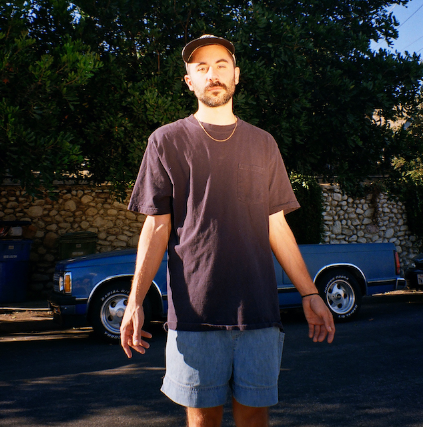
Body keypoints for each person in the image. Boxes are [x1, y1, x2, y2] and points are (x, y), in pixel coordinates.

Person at [121, 34, 335, 427]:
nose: (213, 74)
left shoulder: (263, 143)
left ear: (236, 75)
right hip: (194, 316)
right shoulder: (165, 141)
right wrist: (135, 301)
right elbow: (156, 226)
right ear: (189, 81)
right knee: (203, 421)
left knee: (254, 419)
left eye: (221, 65)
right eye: (201, 68)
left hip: (259, 314)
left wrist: (310, 293)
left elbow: (276, 225)